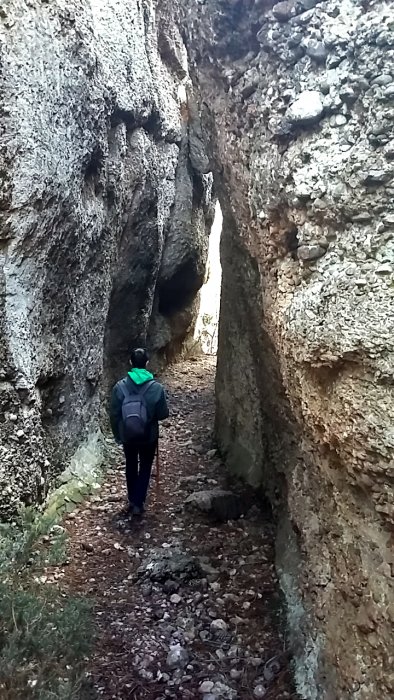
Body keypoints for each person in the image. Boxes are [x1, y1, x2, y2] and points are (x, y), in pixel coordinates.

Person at [109, 348, 169, 516]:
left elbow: (114, 414)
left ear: (130, 363)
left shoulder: (119, 387)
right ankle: (138, 502)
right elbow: (164, 414)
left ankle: (132, 499)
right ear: (147, 364)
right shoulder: (157, 388)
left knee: (130, 464)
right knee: (145, 466)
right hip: (148, 436)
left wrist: (117, 435)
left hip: (127, 435)